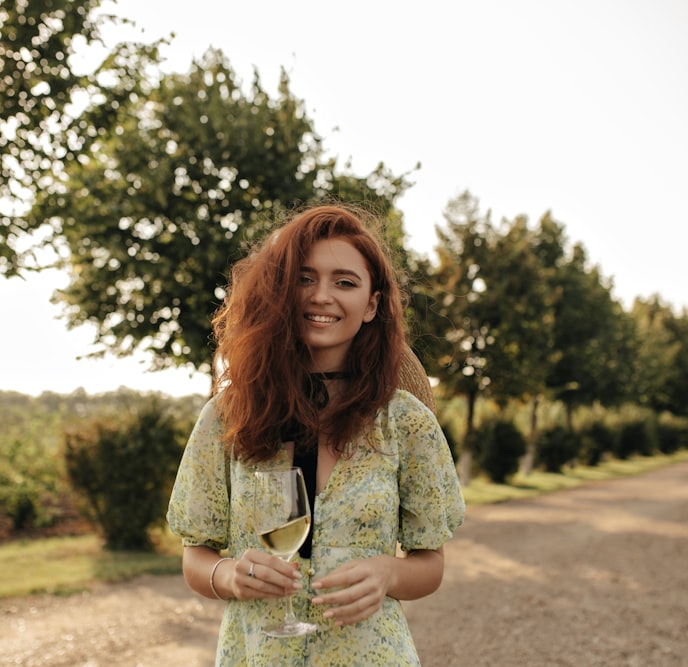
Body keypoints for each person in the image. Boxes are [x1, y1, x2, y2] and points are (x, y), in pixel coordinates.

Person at [167, 203, 465, 665]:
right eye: (304, 279)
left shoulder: (407, 423)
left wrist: (388, 574)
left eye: (344, 282)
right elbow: (195, 558)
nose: (321, 295)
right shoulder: (226, 416)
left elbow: (431, 565)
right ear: (280, 292)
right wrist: (229, 575)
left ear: (371, 305)